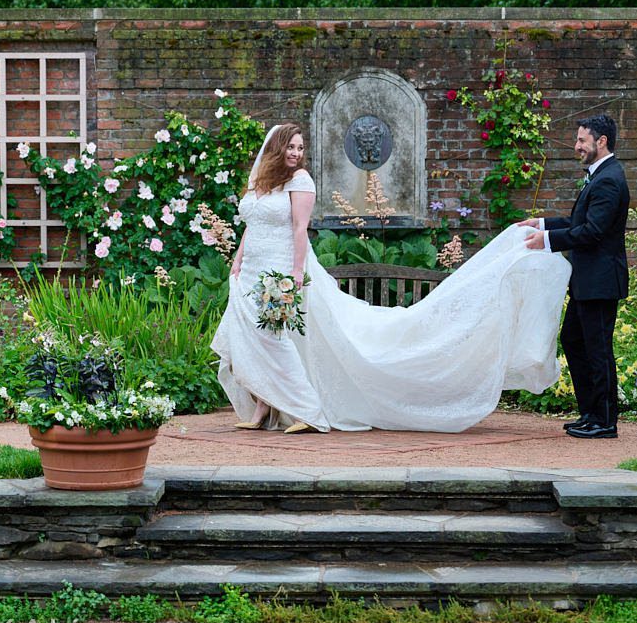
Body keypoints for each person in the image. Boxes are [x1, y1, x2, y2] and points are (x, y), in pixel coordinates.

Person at [210, 123, 572, 433]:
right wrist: (239, 260)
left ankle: (307, 410)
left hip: (282, 269)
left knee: (273, 337)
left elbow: (300, 229)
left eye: (300, 147)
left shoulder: (301, 180)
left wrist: (293, 274)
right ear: (276, 147)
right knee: (248, 336)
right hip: (251, 269)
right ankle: (263, 406)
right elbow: (252, 225)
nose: (296, 152)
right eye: (290, 146)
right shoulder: (261, 181)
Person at [519, 114, 630, 439]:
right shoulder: (599, 176)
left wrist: (548, 242)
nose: (577, 145)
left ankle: (605, 421)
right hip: (587, 281)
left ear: (601, 141)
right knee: (574, 341)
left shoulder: (609, 179)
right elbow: (576, 220)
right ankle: (590, 413)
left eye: (582, 140)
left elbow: (593, 231)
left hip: (600, 282)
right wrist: (539, 224)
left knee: (597, 349)